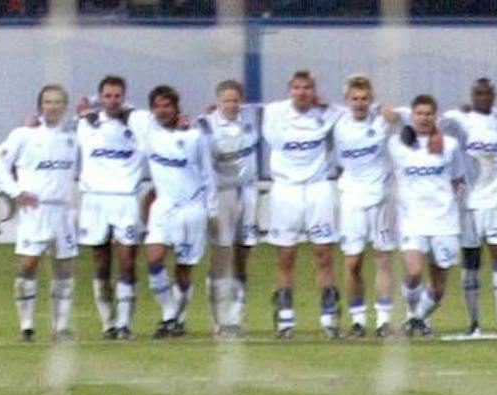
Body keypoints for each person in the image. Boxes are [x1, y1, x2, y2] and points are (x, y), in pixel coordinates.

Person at [0, 84, 79, 342]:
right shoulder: (24, 135)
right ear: (41, 106)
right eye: (48, 101)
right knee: (29, 265)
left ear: (65, 106)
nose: (53, 106)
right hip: (35, 210)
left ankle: (60, 327)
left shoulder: (73, 136)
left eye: (58, 102)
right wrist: (16, 192)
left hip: (62, 210)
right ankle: (26, 326)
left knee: (64, 269)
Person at [261, 69, 344, 341]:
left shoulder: (328, 114)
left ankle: (330, 317)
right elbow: (240, 110)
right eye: (297, 87)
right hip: (286, 190)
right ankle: (285, 317)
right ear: (290, 90)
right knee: (286, 255)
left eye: (307, 88)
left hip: (318, 188)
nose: (302, 92)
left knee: (324, 254)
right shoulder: (274, 112)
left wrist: (327, 103)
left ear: (314, 91)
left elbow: (358, 110)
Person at [132, 86, 215, 339]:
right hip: (163, 208)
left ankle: (177, 319)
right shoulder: (147, 131)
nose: (162, 110)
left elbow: (208, 172)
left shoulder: (194, 136)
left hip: (191, 209)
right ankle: (169, 314)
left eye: (167, 105)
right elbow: (120, 108)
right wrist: (88, 107)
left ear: (176, 107)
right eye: (157, 106)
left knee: (183, 268)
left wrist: (211, 207)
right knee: (154, 258)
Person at [443, 77, 497, 340]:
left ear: (494, 95)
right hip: (470, 204)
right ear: (472, 95)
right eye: (478, 93)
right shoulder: (459, 120)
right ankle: (474, 322)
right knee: (471, 264)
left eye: (487, 93)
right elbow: (432, 125)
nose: (482, 97)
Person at [392, 96, 467, 338]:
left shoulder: (450, 145)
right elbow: (385, 114)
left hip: (444, 222)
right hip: (412, 221)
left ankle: (417, 320)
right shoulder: (397, 144)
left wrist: (449, 201)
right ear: (412, 115)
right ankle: (412, 317)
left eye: (428, 114)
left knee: (438, 288)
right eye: (419, 113)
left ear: (436, 116)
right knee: (413, 271)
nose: (424, 118)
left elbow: (458, 179)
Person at [75, 75, 144, 339]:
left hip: (125, 199)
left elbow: (160, 120)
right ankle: (108, 324)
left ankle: (125, 324)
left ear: (124, 97)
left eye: (117, 96)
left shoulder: (138, 123)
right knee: (101, 262)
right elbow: (53, 120)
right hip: (95, 200)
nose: (113, 101)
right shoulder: (86, 123)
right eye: (107, 96)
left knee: (127, 261)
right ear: (100, 97)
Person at [334, 74, 398, 339]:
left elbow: (405, 117)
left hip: (380, 197)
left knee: (383, 258)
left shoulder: (383, 120)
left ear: (371, 99)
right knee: (353, 262)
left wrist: (387, 110)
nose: (359, 103)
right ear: (347, 101)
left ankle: (384, 321)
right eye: (355, 99)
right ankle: (358, 320)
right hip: (351, 198)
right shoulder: (338, 123)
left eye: (364, 99)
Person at [201, 79, 260, 338]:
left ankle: (236, 318)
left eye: (236, 100)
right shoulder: (205, 126)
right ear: (217, 101)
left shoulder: (252, 117)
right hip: (221, 195)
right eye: (226, 100)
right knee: (220, 257)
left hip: (247, 193)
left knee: (242, 256)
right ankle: (219, 320)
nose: (232, 105)